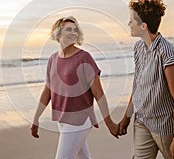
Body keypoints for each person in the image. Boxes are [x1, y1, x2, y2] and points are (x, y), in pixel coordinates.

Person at [30, 16, 119, 159]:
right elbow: (47, 91)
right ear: (57, 33)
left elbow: (98, 93)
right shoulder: (53, 59)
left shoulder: (84, 57)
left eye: (75, 30)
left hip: (80, 120)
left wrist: (109, 123)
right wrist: (36, 118)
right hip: (62, 119)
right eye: (68, 29)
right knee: (84, 157)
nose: (73, 33)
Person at [118, 0, 174, 159]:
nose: (128, 24)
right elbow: (137, 85)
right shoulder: (138, 48)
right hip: (142, 121)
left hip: (166, 127)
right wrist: (126, 117)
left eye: (131, 21)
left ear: (143, 26)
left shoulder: (167, 53)